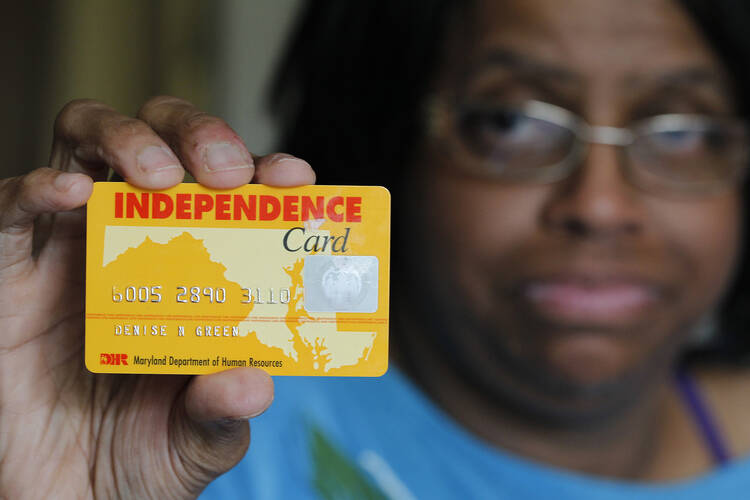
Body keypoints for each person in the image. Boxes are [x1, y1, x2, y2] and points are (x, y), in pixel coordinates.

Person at [2, 0, 750, 498]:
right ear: (387, 144)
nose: (600, 205)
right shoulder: (180, 421)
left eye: (683, 132)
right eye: (508, 123)